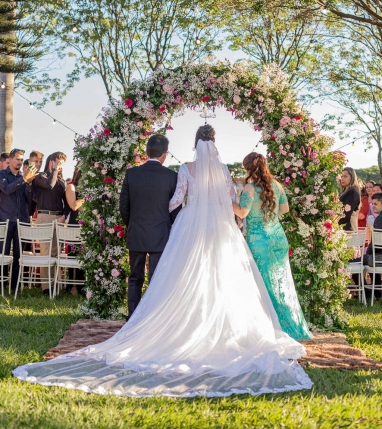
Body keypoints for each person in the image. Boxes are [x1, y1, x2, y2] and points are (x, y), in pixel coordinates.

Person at [12, 125, 313, 397]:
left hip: (190, 225)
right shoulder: (222, 169)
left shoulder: (185, 168)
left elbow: (177, 200)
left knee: (180, 275)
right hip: (221, 228)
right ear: (215, 143)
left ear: (195, 144)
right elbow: (227, 197)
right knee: (221, 274)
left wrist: (161, 210)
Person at [232, 152, 311, 340]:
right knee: (282, 283)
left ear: (248, 168)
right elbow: (285, 209)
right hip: (278, 238)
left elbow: (242, 213)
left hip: (259, 241)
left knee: (263, 284)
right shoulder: (277, 185)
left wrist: (226, 202)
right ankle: (290, 323)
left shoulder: (250, 188)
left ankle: (271, 326)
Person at [119, 134, 181, 320]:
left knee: (135, 278)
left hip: (136, 232)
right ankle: (152, 319)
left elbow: (124, 206)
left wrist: (132, 224)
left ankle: (133, 318)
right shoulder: (172, 177)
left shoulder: (132, 174)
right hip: (161, 234)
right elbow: (175, 209)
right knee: (156, 279)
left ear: (146, 152)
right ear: (164, 154)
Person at [0, 149, 37, 289]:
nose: (20, 162)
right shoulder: (2, 175)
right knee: (2, 254)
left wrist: (28, 184)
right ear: (10, 159)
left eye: (22, 160)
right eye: (18, 159)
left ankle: (14, 287)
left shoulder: (24, 177)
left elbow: (29, 200)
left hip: (21, 220)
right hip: (5, 220)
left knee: (18, 256)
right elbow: (7, 190)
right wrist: (23, 180)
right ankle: (2, 285)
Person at [35, 151, 67, 296]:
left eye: (62, 164)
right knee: (45, 253)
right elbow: (50, 185)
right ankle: (46, 288)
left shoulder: (61, 181)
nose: (61, 166)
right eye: (59, 163)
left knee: (55, 253)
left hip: (58, 218)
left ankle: (54, 285)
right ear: (51, 162)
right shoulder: (40, 177)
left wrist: (64, 216)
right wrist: (54, 170)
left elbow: (66, 202)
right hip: (44, 216)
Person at [64, 167, 85, 295]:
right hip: (74, 225)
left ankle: (83, 287)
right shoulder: (71, 187)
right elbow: (74, 206)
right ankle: (72, 287)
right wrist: (87, 196)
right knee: (73, 256)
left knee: (84, 258)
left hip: (87, 226)